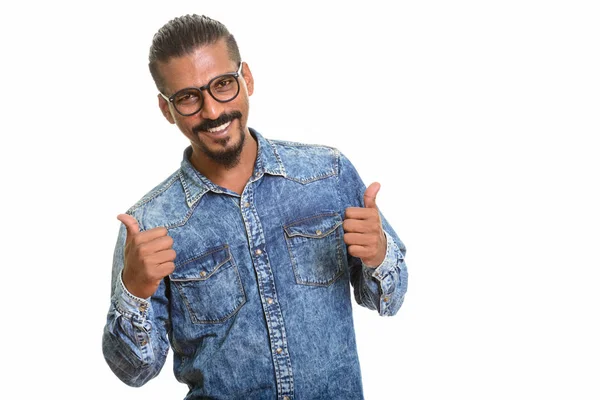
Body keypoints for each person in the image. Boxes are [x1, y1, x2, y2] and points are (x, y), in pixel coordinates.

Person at [102, 14, 408, 400]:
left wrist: (379, 255)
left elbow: (388, 300)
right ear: (167, 109)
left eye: (222, 85)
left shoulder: (327, 174)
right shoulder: (150, 224)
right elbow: (135, 371)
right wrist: (134, 290)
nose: (212, 111)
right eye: (188, 98)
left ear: (246, 78)